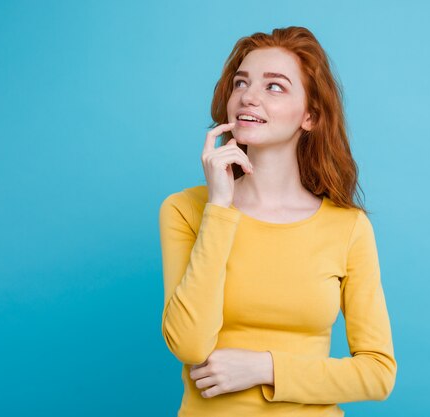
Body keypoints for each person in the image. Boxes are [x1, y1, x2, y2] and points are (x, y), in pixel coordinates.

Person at [159, 26, 397, 416]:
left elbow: (378, 373)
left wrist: (265, 368)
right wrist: (219, 207)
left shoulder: (347, 227)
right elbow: (189, 344)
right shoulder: (185, 210)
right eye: (241, 83)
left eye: (274, 87)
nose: (248, 97)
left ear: (310, 116)